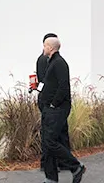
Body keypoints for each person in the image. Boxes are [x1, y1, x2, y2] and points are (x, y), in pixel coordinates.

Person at [38, 36, 86, 183]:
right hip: (49, 108)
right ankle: (51, 178)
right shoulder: (51, 62)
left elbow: (63, 86)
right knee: (46, 143)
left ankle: (76, 166)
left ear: (50, 47)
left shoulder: (59, 63)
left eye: (45, 45)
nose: (43, 48)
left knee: (50, 141)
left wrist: (54, 104)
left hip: (57, 109)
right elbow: (51, 84)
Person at [31, 33, 71, 172]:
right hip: (52, 103)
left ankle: (56, 163)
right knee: (55, 134)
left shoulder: (48, 60)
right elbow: (55, 84)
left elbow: (45, 81)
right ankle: (54, 164)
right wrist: (54, 103)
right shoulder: (47, 60)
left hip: (49, 101)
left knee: (53, 133)